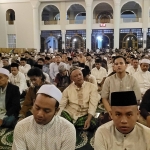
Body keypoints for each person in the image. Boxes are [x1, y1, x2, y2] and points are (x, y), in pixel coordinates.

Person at [12, 84, 76, 150]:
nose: (39, 114)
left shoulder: (67, 129)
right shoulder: (21, 127)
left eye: (46, 111)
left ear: (56, 111)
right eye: (37, 108)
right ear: (34, 103)